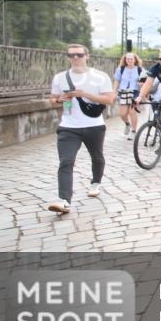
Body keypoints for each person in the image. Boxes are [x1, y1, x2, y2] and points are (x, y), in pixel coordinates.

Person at [48, 44, 115, 213]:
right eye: (71, 55)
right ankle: (64, 200)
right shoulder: (60, 78)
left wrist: (84, 94)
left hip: (94, 125)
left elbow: (109, 99)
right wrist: (60, 99)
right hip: (68, 127)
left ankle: (95, 182)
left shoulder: (100, 77)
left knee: (97, 157)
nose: (75, 58)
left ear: (87, 56)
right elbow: (52, 100)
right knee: (66, 161)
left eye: (79, 55)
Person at [113, 52, 143, 140]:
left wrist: (141, 84)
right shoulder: (120, 69)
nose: (129, 60)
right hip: (123, 91)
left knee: (132, 111)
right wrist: (114, 92)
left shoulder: (140, 70)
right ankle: (127, 124)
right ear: (125, 60)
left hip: (135, 92)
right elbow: (117, 81)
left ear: (135, 60)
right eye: (128, 59)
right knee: (122, 114)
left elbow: (145, 81)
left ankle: (134, 131)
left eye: (131, 59)